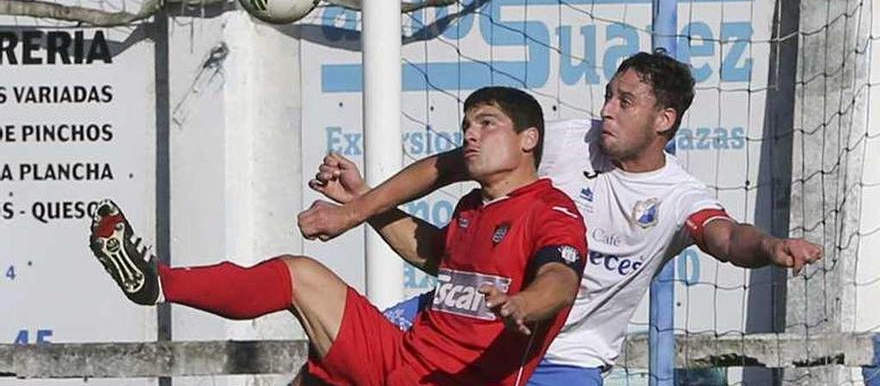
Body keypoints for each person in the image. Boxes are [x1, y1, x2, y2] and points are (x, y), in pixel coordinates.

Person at [298, 50, 824, 385]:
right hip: (464, 318)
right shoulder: (564, 142)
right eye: (607, 96)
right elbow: (446, 169)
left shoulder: (678, 196)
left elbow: (727, 237)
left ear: (664, 120)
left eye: (626, 101)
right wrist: (357, 208)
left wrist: (771, 247)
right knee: (326, 370)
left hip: (564, 357)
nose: (607, 110)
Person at [90, 86, 588, 386]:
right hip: (401, 358)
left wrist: (524, 303)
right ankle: (158, 283)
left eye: (487, 123)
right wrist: (361, 201)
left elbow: (561, 279)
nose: (470, 135)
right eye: (466, 125)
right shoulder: (471, 207)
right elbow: (433, 254)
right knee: (297, 274)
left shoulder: (552, 211)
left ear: (529, 139)